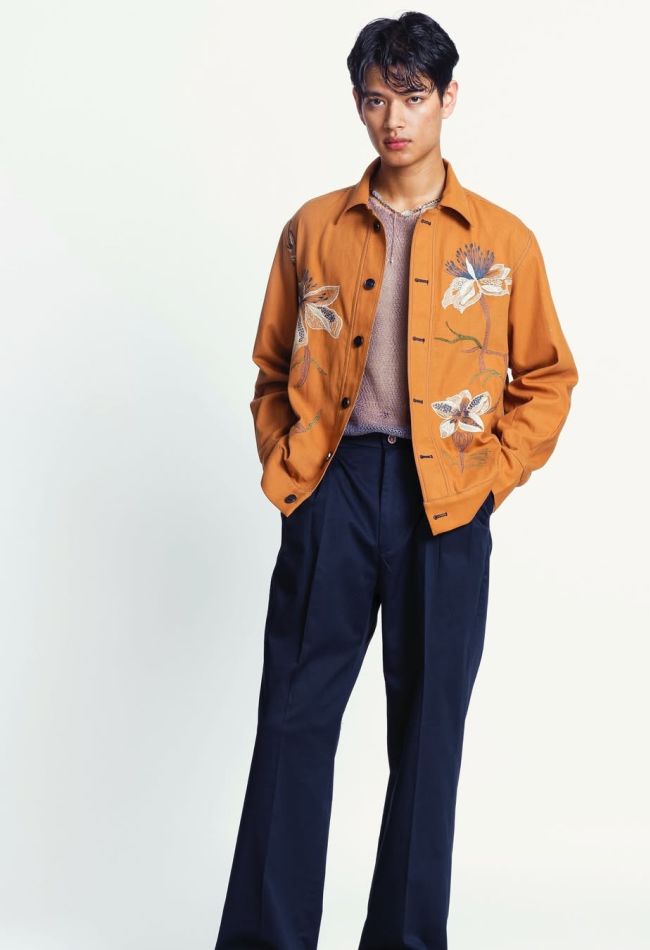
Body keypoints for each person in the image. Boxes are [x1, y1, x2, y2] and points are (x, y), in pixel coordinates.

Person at [215, 12, 578, 950]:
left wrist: (490, 478)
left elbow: (547, 378)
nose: (395, 119)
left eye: (413, 97)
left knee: (427, 739)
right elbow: (270, 367)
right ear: (357, 104)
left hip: (446, 503)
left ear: (448, 98)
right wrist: (289, 463)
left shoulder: (503, 242)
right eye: (377, 99)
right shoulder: (313, 228)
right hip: (332, 490)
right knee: (292, 724)